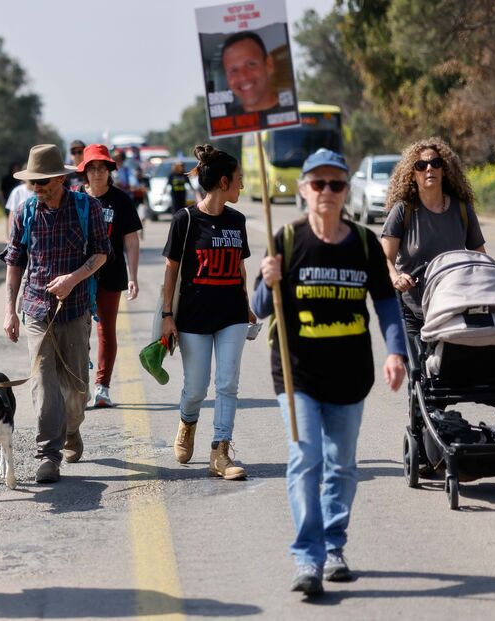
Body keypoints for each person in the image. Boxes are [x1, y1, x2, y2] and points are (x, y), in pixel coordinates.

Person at [252, 149, 406, 596]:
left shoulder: (362, 243)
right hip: (296, 373)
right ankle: (308, 557)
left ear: (347, 191)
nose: (326, 192)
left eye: (335, 184)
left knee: (341, 466)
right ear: (303, 190)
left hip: (350, 374)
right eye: (317, 184)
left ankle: (334, 546)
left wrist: (396, 353)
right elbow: (260, 308)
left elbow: (386, 304)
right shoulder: (284, 239)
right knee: (306, 461)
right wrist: (267, 280)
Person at [1, 144, 111, 482]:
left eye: (44, 181)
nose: (38, 188)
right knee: (43, 383)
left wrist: (73, 279)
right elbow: (14, 262)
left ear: (61, 178)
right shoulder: (25, 213)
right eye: (34, 182)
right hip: (35, 310)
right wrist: (10, 310)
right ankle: (48, 454)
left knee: (77, 389)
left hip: (76, 310)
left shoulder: (86, 207)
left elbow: (101, 253)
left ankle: (71, 429)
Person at [161, 145, 255, 482]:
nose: (242, 187)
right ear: (224, 182)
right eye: (239, 181)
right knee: (197, 387)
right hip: (194, 317)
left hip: (231, 313)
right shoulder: (185, 220)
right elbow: (171, 272)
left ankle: (220, 451)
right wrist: (167, 315)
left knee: (228, 383)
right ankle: (187, 421)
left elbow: (240, 268)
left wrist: (246, 304)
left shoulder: (237, 220)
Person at [380, 137, 486, 337]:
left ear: (444, 170)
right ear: (412, 175)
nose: (429, 169)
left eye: (436, 163)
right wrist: (396, 278)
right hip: (414, 310)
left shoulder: (462, 209)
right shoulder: (403, 210)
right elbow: (384, 258)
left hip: (455, 307)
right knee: (415, 368)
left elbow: (481, 258)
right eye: (421, 165)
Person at [77, 144, 142, 408]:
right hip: (79, 275)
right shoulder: (75, 198)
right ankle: (78, 386)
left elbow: (131, 240)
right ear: (85, 172)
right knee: (77, 331)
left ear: (109, 170)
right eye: (92, 168)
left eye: (102, 168)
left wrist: (133, 276)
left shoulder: (121, 200)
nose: (97, 173)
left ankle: (101, 387)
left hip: (111, 274)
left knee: (106, 331)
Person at [221, 31, 281, 114]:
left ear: (268, 65)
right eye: (233, 70)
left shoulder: (294, 112)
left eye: (251, 64)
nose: (243, 77)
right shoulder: (225, 121)